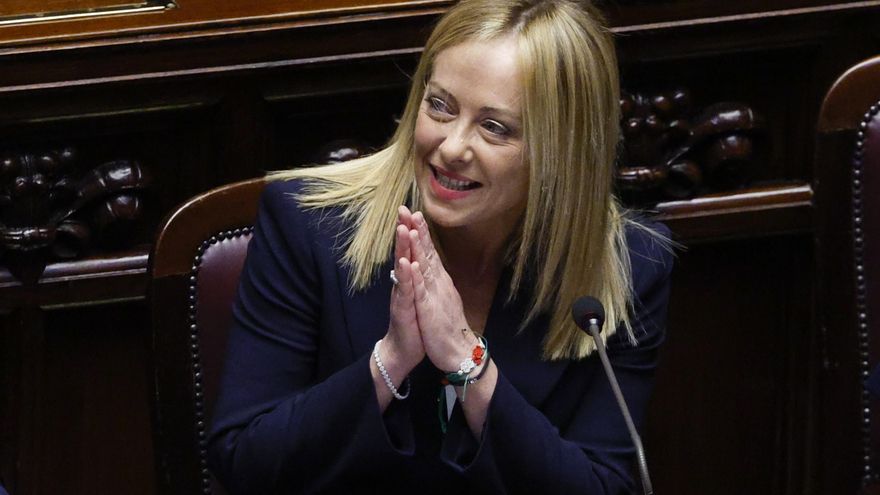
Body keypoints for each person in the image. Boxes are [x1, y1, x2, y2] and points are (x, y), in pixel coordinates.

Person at [207, 0, 673, 493]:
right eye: (440, 106)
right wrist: (389, 362)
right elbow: (243, 461)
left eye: (495, 127)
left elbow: (608, 487)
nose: (451, 147)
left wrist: (468, 363)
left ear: (563, 150)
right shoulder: (309, 222)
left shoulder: (626, 266)